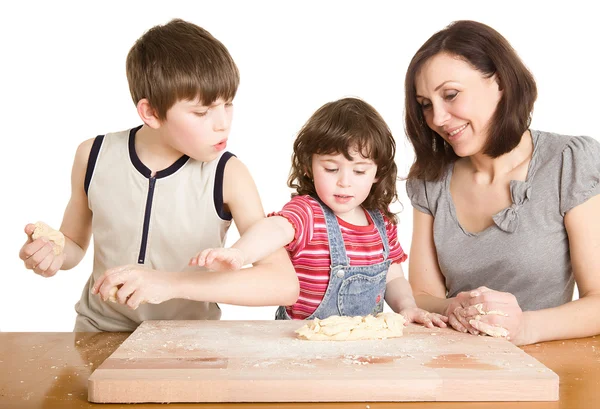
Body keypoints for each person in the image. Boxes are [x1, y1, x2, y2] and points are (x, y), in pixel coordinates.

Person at [18, 18, 298, 332]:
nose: (223, 123)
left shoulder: (229, 174)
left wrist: (172, 284)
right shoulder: (92, 156)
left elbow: (282, 283)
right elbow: (74, 245)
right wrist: (52, 253)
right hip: (99, 333)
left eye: (228, 104)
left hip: (190, 342)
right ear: (150, 112)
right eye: (202, 112)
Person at [403, 20, 600, 345]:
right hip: (457, 365)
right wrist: (454, 307)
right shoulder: (430, 178)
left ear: (500, 83)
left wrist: (525, 328)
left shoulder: (568, 161)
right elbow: (422, 295)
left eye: (450, 95)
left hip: (550, 371)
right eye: (426, 104)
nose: (437, 118)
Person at [190, 97, 447, 327]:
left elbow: (392, 277)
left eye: (359, 171)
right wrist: (239, 253)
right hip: (304, 346)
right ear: (308, 166)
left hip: (365, 345)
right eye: (331, 168)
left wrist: (407, 306)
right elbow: (274, 229)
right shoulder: (308, 212)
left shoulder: (382, 223)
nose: (344, 181)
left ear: (377, 173)